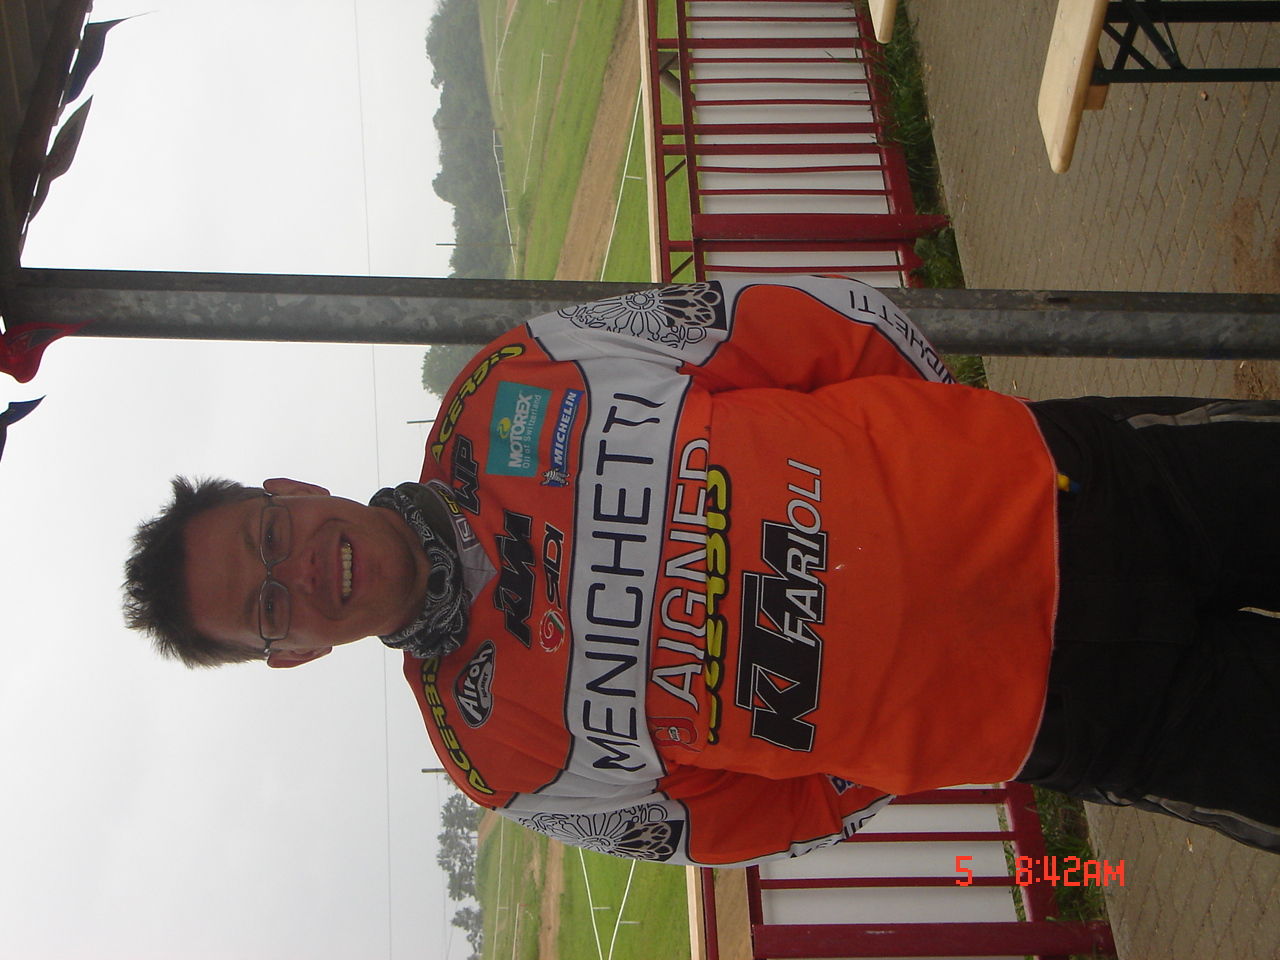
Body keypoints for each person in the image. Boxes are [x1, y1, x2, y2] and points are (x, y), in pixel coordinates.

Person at [124, 275, 1280, 864]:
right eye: (268, 608)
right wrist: (902, 727)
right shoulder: (499, 764)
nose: (300, 572)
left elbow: (768, 322)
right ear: (290, 654)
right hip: (1080, 719)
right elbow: (746, 824)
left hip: (1075, 491)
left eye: (266, 538)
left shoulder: (507, 381)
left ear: (287, 490)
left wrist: (938, 449)